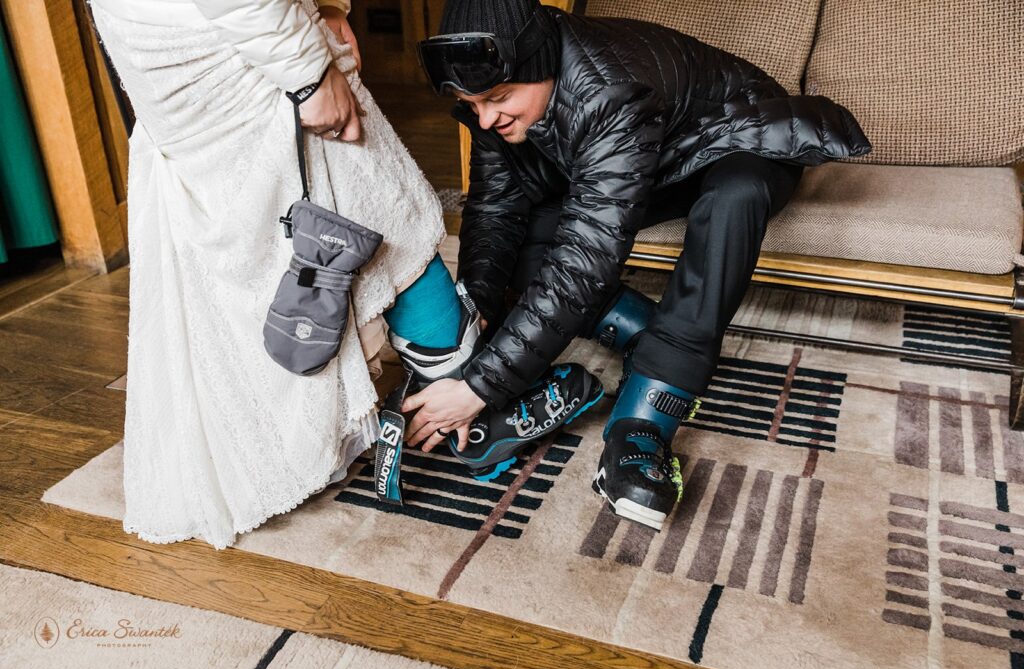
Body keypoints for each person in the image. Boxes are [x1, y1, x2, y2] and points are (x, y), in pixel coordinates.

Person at [411, 0, 871, 530]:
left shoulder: (609, 90)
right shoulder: (496, 105)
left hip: (740, 136)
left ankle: (643, 421)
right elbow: (495, 209)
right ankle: (652, 338)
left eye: (498, 99)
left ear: (539, 66)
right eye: (472, 105)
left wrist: (478, 390)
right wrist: (477, 325)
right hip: (660, 157)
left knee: (735, 197)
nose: (485, 118)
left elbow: (586, 260)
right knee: (526, 235)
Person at [89, 0, 461, 550]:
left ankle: (296, 428)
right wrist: (308, 71)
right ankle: (454, 370)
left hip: (158, 27)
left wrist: (327, 7)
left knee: (261, 232)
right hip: (225, 25)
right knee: (373, 189)